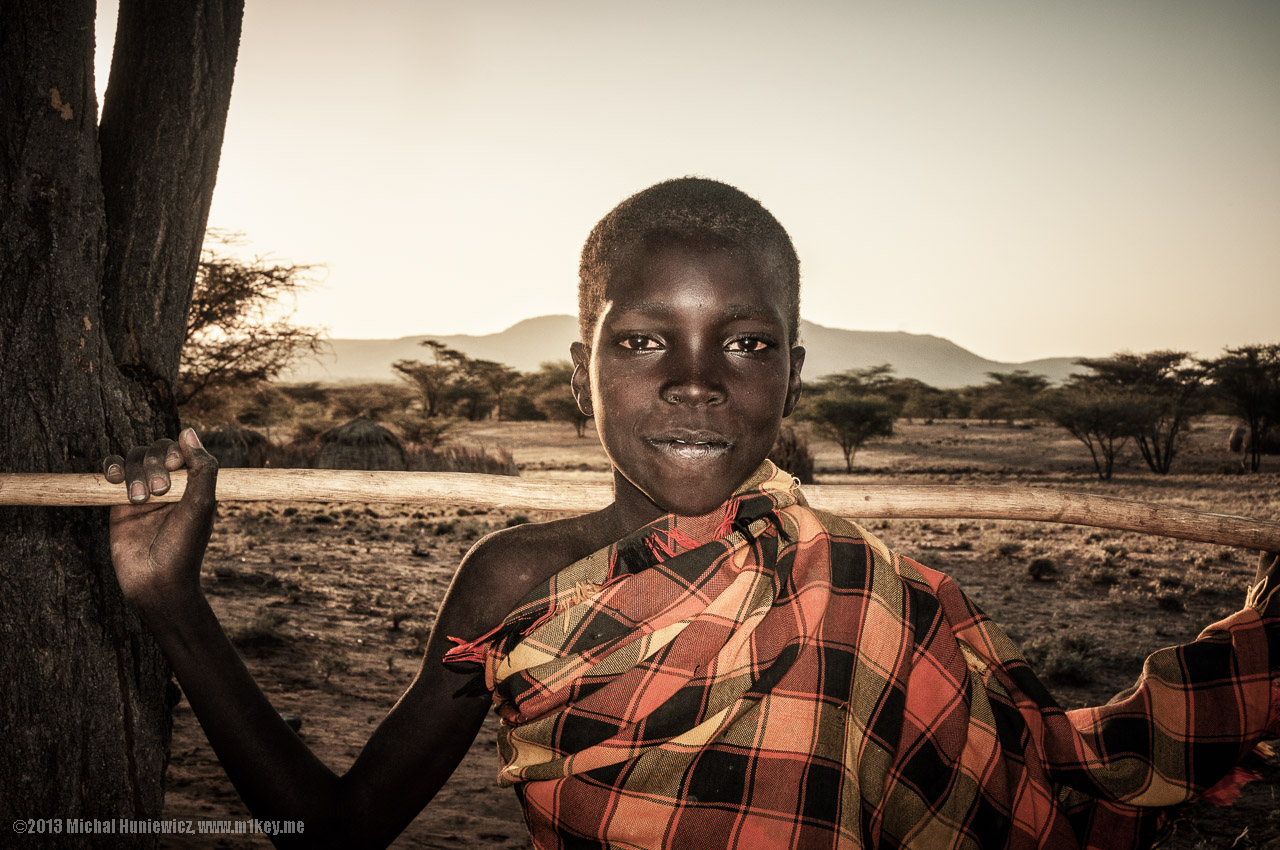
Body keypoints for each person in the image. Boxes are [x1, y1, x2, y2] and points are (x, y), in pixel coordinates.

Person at [105, 177, 1278, 850]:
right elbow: (340, 831)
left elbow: (1041, 760)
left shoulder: (855, 587)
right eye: (642, 340)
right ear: (579, 374)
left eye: (745, 342)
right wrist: (173, 607)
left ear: (792, 375)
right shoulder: (514, 584)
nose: (695, 379)